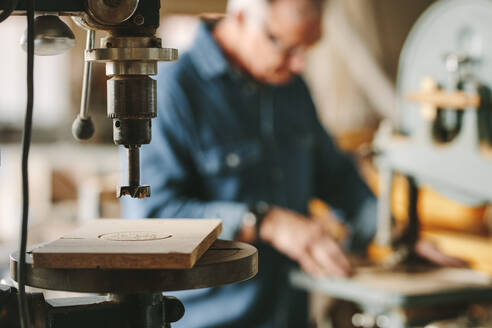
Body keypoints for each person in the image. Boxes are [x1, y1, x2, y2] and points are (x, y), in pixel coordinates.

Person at [121, 0, 463, 326]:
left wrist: (394, 232)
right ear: (241, 19)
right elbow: (152, 218)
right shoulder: (173, 89)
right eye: (284, 45)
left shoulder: (290, 85)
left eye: (307, 49)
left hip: (289, 315)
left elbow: (336, 176)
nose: (299, 64)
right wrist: (264, 221)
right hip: (210, 320)